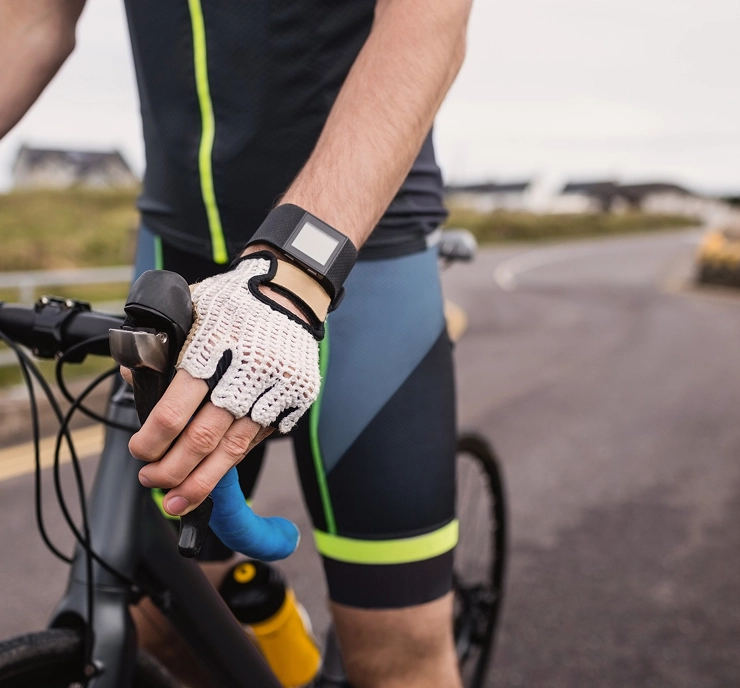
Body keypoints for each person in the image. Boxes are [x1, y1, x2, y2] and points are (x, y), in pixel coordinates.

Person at [1, 0, 473, 685]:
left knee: (394, 654)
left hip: (355, 252)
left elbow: (430, 28)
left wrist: (297, 271)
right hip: (177, 250)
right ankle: (275, 631)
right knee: (158, 624)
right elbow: (29, 23)